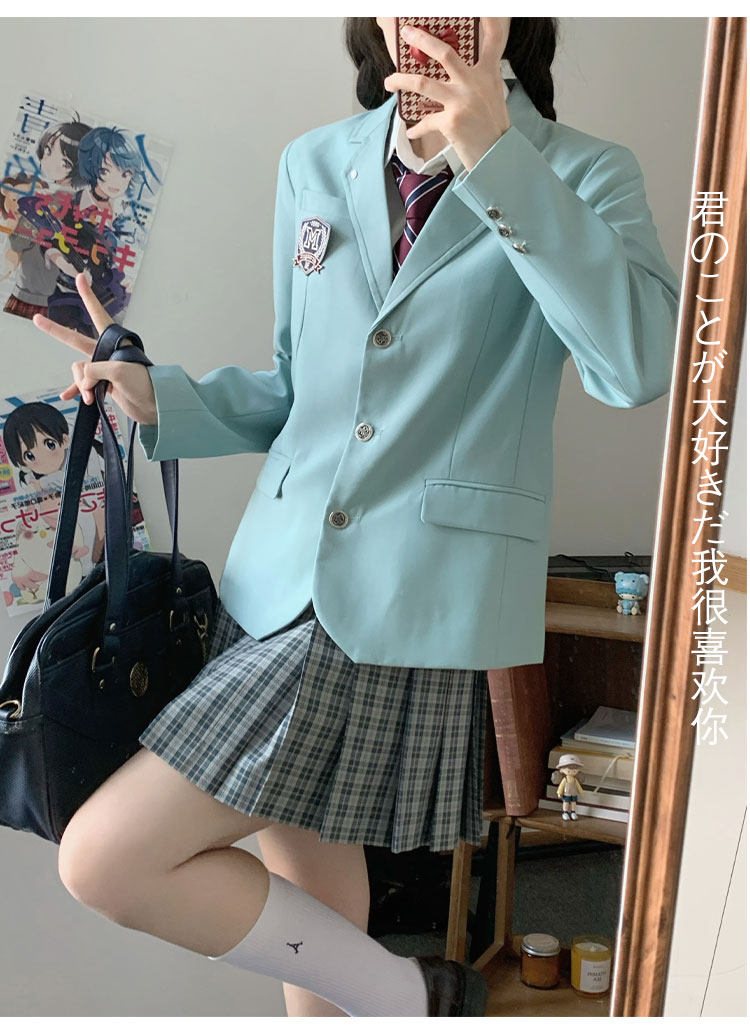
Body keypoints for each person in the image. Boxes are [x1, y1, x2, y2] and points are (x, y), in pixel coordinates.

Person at [30, 17, 680, 1018]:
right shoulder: (316, 161)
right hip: (272, 579)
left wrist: (496, 155)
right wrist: (165, 400)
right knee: (314, 904)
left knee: (106, 858)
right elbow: (300, 390)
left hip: (408, 590)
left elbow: (636, 365)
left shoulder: (581, 172)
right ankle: (387, 996)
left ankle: (409, 994)